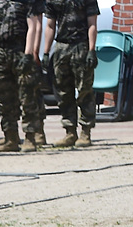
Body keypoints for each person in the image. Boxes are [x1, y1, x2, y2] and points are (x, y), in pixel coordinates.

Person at [39, 0, 96, 148]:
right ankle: (70, 132)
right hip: (61, 47)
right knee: (62, 91)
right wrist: (45, 52)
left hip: (81, 45)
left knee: (85, 90)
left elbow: (92, 24)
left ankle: (85, 131)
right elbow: (50, 26)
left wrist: (91, 50)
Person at [0, 0, 44, 151]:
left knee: (27, 97)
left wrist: (28, 54)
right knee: (5, 99)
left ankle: (30, 138)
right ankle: (10, 138)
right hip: (2, 53)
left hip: (20, 50)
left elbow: (32, 27)